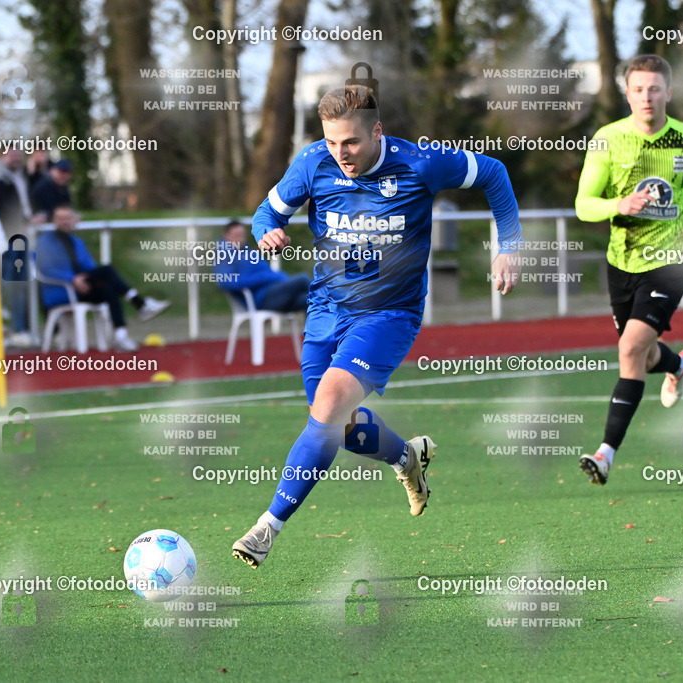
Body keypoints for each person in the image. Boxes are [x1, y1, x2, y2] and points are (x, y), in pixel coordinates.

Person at [231, 85, 522, 569]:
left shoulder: (420, 162)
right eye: (331, 143)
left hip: (389, 314)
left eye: (351, 142)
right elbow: (266, 213)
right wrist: (267, 233)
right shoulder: (311, 163)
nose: (340, 154)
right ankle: (406, 458)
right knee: (336, 428)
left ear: (377, 131)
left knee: (326, 407)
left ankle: (267, 526)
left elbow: (494, 172)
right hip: (325, 310)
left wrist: (508, 245)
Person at [574, 54, 683, 486]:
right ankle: (678, 365)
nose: (647, 97)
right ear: (627, 94)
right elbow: (583, 204)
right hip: (622, 262)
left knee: (629, 350)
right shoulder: (607, 140)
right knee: (639, 349)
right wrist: (616, 205)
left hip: (670, 261)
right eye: (639, 89)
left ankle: (605, 453)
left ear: (669, 93)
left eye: (655, 88)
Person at [35, 204, 170, 351]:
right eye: (60, 218)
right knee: (107, 270)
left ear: (73, 220)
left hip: (82, 289)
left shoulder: (76, 242)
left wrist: (90, 279)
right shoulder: (45, 241)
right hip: (61, 291)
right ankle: (140, 304)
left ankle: (121, 335)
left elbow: (89, 267)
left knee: (109, 289)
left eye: (67, 218)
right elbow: (45, 268)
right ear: (54, 220)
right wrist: (72, 279)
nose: (64, 222)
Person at [0, 149, 38, 346]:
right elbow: (5, 208)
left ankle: (19, 330)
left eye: (18, 154)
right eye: (11, 155)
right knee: (0, 286)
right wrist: (27, 218)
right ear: (1, 156)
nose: (16, 158)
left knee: (19, 284)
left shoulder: (19, 176)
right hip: (5, 238)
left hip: (20, 235)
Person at [214, 219, 309, 313]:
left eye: (242, 235)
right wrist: (263, 278)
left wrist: (279, 278)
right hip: (261, 299)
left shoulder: (248, 252)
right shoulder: (224, 255)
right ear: (226, 236)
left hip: (275, 292)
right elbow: (227, 282)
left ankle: (317, 328)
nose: (240, 239)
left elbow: (269, 273)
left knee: (310, 300)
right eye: (236, 235)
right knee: (303, 279)